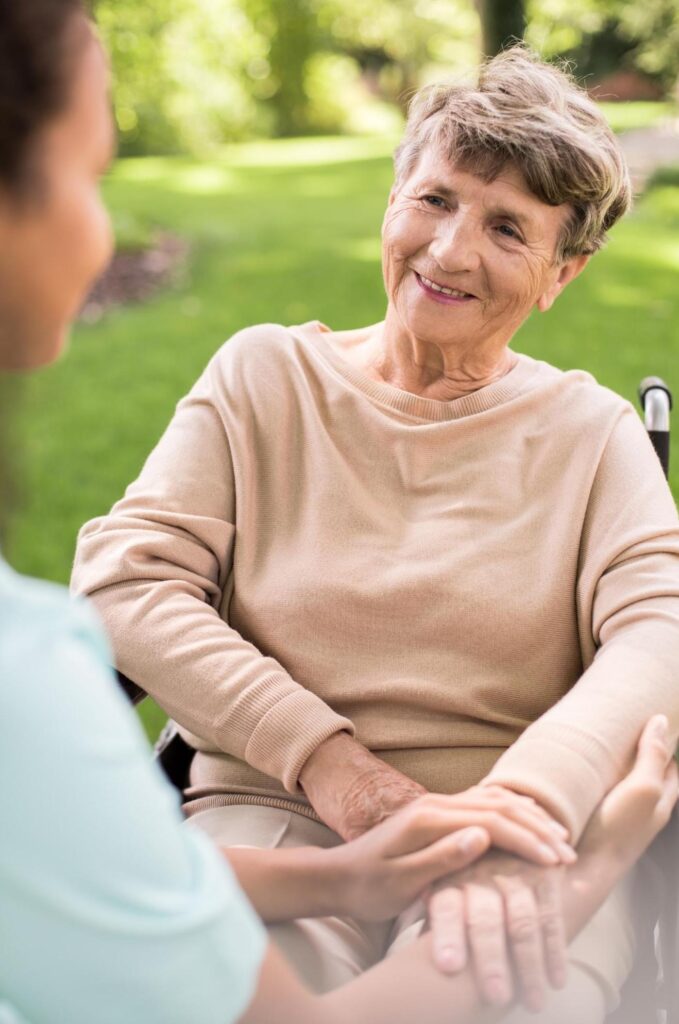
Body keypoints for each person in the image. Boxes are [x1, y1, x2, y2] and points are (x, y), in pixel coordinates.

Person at [5, 5, 675, 1024]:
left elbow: (660, 626)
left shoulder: (588, 432)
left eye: (507, 228)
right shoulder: (264, 375)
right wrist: (336, 769)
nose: (448, 251)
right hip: (269, 822)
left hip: (516, 845)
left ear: (562, 274)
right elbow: (128, 580)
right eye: (434, 199)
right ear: (391, 201)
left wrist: (524, 809)